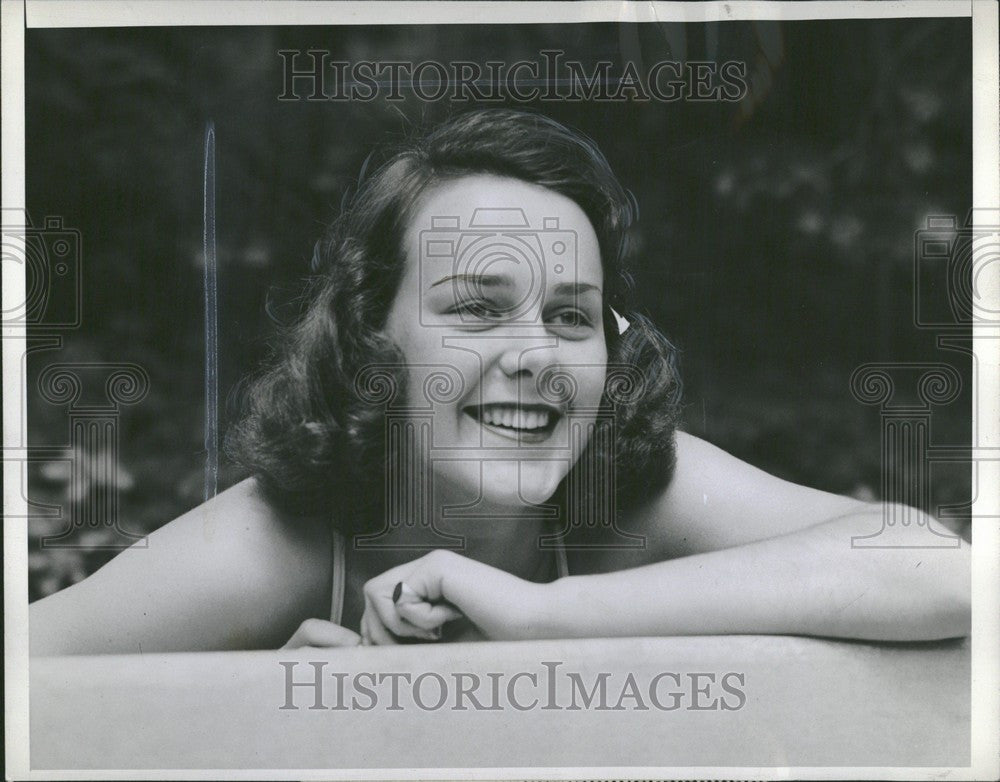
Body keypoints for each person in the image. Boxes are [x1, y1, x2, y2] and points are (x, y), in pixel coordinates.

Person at [29, 109, 970, 655]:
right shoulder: (281, 537)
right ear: (369, 337)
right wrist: (239, 704)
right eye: (477, 308)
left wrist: (547, 613)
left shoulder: (631, 487)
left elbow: (943, 572)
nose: (536, 354)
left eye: (570, 315)